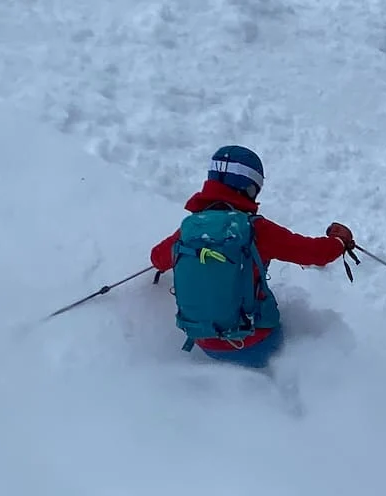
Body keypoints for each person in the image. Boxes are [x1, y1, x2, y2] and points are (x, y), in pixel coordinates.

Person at [149, 146, 353, 367]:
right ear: (248, 188)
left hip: (203, 341)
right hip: (255, 342)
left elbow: (156, 258)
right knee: (294, 339)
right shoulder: (256, 230)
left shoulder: (190, 229)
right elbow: (314, 253)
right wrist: (339, 241)